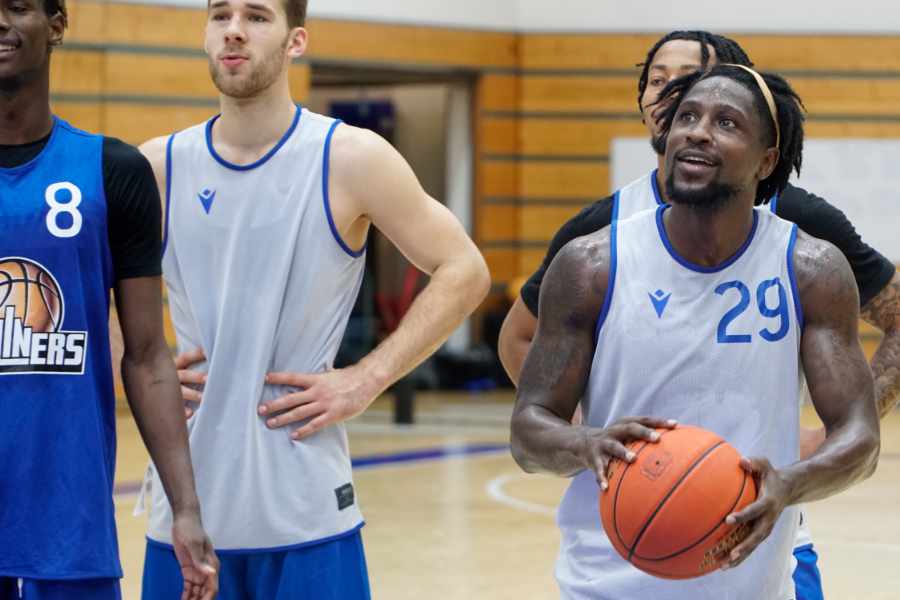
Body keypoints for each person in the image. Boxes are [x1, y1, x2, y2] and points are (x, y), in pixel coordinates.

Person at [498, 30, 900, 600]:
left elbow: (859, 438)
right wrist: (585, 442)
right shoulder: (590, 263)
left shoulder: (811, 268)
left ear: (766, 160)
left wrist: (792, 480)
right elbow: (527, 428)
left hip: (755, 580)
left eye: (726, 123)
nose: (697, 132)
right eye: (687, 116)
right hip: (605, 582)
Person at [136, 0, 491, 596]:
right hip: (184, 513)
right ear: (203, 35)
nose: (234, 30)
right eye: (220, 14)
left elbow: (465, 270)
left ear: (295, 41)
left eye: (256, 16)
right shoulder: (157, 166)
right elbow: (87, 289)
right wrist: (138, 373)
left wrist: (366, 378)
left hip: (306, 509)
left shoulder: (351, 158)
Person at [0, 0, 219, 598]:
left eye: (16, 7)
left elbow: (148, 356)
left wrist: (186, 507)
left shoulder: (112, 171)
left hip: (69, 522)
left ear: (57, 23)